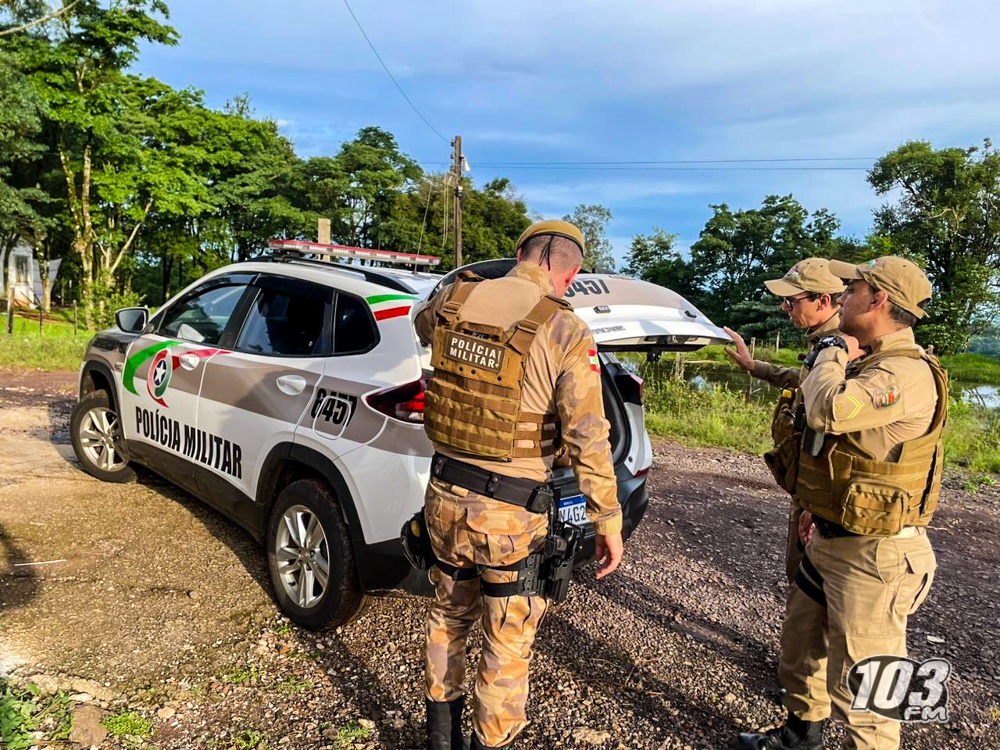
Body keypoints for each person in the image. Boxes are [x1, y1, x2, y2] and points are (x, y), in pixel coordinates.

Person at [413, 220, 625, 750]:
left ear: (518, 253)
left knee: (447, 616)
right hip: (510, 514)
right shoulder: (564, 327)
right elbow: (587, 434)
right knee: (506, 640)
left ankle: (441, 740)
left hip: (443, 498)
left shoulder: (455, 299)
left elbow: (421, 324)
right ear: (571, 273)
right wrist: (607, 518)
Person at [738, 256, 947, 750]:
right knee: (800, 652)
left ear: (878, 300)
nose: (842, 298)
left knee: (866, 695)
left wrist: (831, 348)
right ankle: (800, 736)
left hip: (875, 554)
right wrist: (816, 503)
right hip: (833, 537)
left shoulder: (903, 372)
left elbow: (828, 409)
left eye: (851, 290)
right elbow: (846, 453)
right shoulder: (871, 360)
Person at [723, 258, 846, 583]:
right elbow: (805, 380)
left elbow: (838, 426)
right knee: (800, 575)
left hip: (821, 491)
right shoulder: (824, 341)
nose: (784, 307)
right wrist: (756, 367)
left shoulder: (845, 346)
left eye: (792, 300)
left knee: (809, 581)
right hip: (807, 483)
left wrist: (817, 504)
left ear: (823, 300)